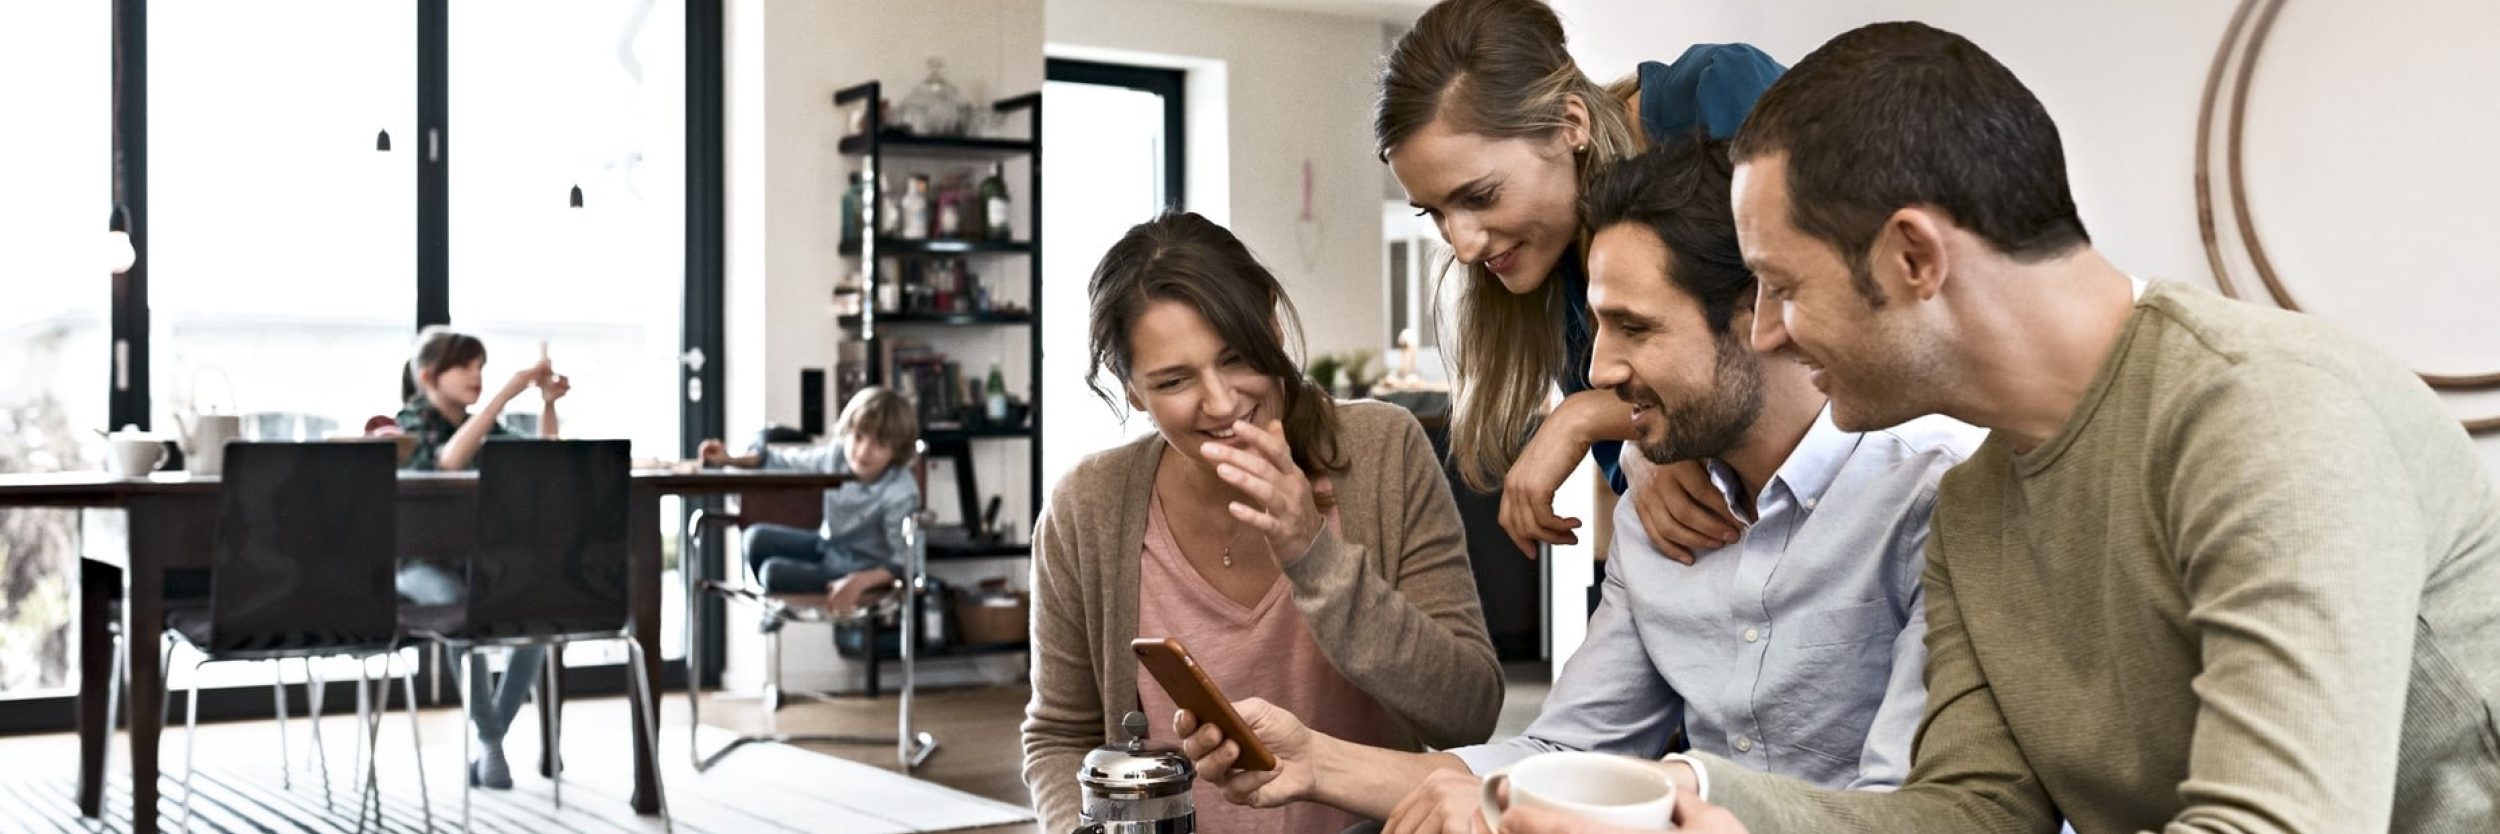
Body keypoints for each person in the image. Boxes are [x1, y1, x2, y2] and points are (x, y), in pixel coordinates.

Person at [1584, 21, 2500, 834]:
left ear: (1913, 257)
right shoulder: (1977, 507)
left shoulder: (2267, 418)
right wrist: (1693, 801)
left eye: (1783, 287)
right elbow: (1975, 811)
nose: (1768, 332)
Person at [1178, 142, 1982, 834]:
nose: (1597, 372)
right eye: (1597, 326)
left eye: (1634, 327)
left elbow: (1908, 810)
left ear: (1757, 313)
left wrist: (1674, 795)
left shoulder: (1933, 495)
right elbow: (1564, 756)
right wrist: (1315, 761)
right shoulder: (1655, 508)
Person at [1021, 212, 1502, 834]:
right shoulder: (1088, 505)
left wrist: (1312, 554)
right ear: (1132, 390)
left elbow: (1467, 710)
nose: (1221, 403)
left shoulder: (1384, 450)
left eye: (1238, 357)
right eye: (1174, 380)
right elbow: (1060, 736)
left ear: (1271, 322)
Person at [1377, 0, 1787, 561]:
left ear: (1570, 124)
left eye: (1480, 197)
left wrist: (1587, 416)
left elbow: (1807, 340)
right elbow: (1655, 466)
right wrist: (1643, 453)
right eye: (1436, 213)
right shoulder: (1552, 263)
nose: (1464, 246)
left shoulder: (1721, 95)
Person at [391, 325, 568, 790]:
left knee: (531, 620)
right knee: (455, 606)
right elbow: (448, 461)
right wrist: (507, 393)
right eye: (465, 366)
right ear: (429, 376)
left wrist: (547, 405)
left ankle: (491, 742)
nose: (477, 375)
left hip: (480, 564)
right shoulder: (407, 426)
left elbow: (545, 463)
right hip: (418, 568)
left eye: (482, 368)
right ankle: (492, 746)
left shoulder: (485, 425)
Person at [696, 386, 923, 616]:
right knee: (754, 538)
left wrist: (859, 582)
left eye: (879, 444)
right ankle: (774, 612)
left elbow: (905, 560)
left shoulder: (900, 491)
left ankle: (774, 611)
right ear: (848, 430)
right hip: (828, 546)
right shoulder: (835, 457)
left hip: (864, 568)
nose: (863, 451)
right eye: (859, 437)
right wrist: (729, 459)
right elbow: (781, 461)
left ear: (896, 451)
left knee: (772, 573)